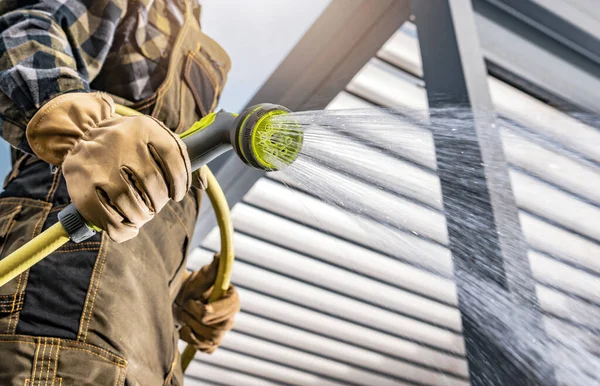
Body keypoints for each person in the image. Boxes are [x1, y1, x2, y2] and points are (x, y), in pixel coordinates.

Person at [0, 1, 240, 385]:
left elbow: (142, 218)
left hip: (145, 340)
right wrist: (83, 132)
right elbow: (21, 31)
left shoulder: (194, 33)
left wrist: (176, 297)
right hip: (63, 284)